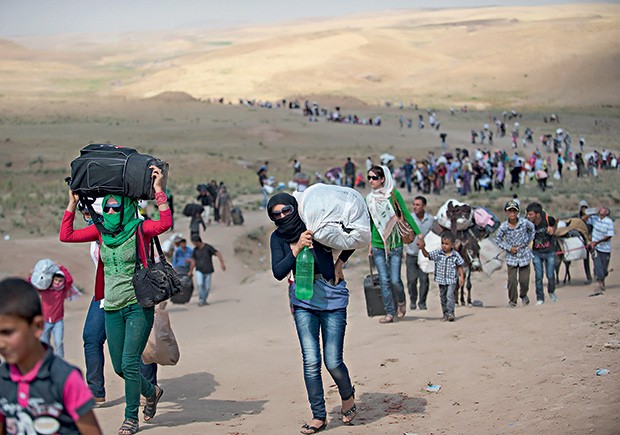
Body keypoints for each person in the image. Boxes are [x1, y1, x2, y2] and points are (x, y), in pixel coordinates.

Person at [60, 165, 170, 435]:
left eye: (115, 207)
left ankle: (130, 418)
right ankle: (152, 391)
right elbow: (67, 235)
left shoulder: (139, 229)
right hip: (111, 306)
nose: (110, 212)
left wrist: (159, 191)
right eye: (106, 208)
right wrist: (72, 203)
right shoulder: (100, 233)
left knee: (130, 363)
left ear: (125, 208)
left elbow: (164, 223)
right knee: (121, 367)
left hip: (137, 305)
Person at [267, 193, 357, 433]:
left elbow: (353, 235)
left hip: (332, 298)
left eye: (286, 210)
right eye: (276, 214)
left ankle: (347, 395)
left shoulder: (314, 225)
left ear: (294, 208)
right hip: (303, 300)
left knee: (333, 361)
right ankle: (319, 416)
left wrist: (340, 263)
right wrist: (296, 249)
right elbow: (278, 271)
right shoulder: (277, 238)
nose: (283, 216)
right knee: (311, 362)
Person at [0, 278, 102, 435]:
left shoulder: (65, 379)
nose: (1, 343)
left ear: (38, 326)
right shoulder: (2, 379)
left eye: (7, 333)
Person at [366, 165, 420, 323]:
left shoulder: (393, 195)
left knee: (395, 279)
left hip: (395, 243)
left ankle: (401, 303)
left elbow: (406, 214)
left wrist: (419, 233)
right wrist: (370, 242)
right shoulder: (369, 199)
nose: (371, 181)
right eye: (369, 177)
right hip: (377, 244)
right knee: (384, 279)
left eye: (374, 178)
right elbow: (371, 222)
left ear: (383, 179)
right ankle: (390, 313)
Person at [29, 262, 75, 359]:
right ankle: (45, 361)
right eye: (56, 280)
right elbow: (33, 283)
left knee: (58, 342)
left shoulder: (62, 291)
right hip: (45, 321)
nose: (57, 282)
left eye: (60, 280)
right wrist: (34, 274)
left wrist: (61, 267)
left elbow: (70, 280)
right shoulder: (45, 289)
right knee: (44, 343)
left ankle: (60, 361)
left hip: (58, 321)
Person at [495, 200, 535, 307]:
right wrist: (508, 247)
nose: (512, 214)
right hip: (511, 257)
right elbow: (498, 239)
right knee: (512, 281)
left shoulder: (524, 223)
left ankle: (523, 295)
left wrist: (527, 241)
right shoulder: (504, 227)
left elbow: (532, 230)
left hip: (524, 254)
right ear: (506, 213)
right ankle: (512, 301)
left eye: (514, 211)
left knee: (524, 280)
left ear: (518, 212)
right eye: (510, 211)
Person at [417, 231, 465, 321]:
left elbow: (460, 266)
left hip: (451, 280)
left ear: (452, 245)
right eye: (442, 243)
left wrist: (461, 277)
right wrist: (422, 248)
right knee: (443, 297)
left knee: (449, 295)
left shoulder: (455, 255)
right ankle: (445, 313)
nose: (444, 246)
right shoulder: (438, 253)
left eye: (447, 244)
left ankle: (451, 313)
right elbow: (427, 255)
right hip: (441, 280)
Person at [405, 196, 434, 310]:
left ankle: (422, 302)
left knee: (424, 280)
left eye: (418, 205)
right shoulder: (409, 218)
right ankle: (413, 300)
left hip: (424, 255)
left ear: (424, 206)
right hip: (411, 254)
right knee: (411, 280)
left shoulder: (430, 219)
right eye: (414, 204)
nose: (415, 207)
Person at [526, 202, 558, 304]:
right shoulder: (528, 223)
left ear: (538, 214)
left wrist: (553, 229)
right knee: (538, 276)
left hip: (550, 251)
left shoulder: (548, 219)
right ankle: (540, 298)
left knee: (550, 275)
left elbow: (555, 223)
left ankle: (551, 292)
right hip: (536, 253)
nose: (528, 216)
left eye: (530, 214)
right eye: (528, 214)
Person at [188, 235, 226, 306]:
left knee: (207, 287)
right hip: (199, 269)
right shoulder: (195, 250)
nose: (193, 244)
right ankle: (201, 300)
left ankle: (204, 299)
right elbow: (193, 260)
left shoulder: (207, 247)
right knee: (200, 284)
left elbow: (217, 253)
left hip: (208, 270)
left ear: (198, 241)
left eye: (194, 243)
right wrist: (191, 270)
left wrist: (222, 263)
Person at [588, 207, 614, 296]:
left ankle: (602, 279)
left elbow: (609, 236)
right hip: (595, 248)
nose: (601, 210)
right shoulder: (594, 219)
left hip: (605, 249)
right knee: (597, 264)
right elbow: (585, 217)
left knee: (603, 268)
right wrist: (593, 211)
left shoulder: (609, 222)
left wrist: (597, 242)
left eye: (603, 209)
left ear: (607, 213)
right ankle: (600, 284)